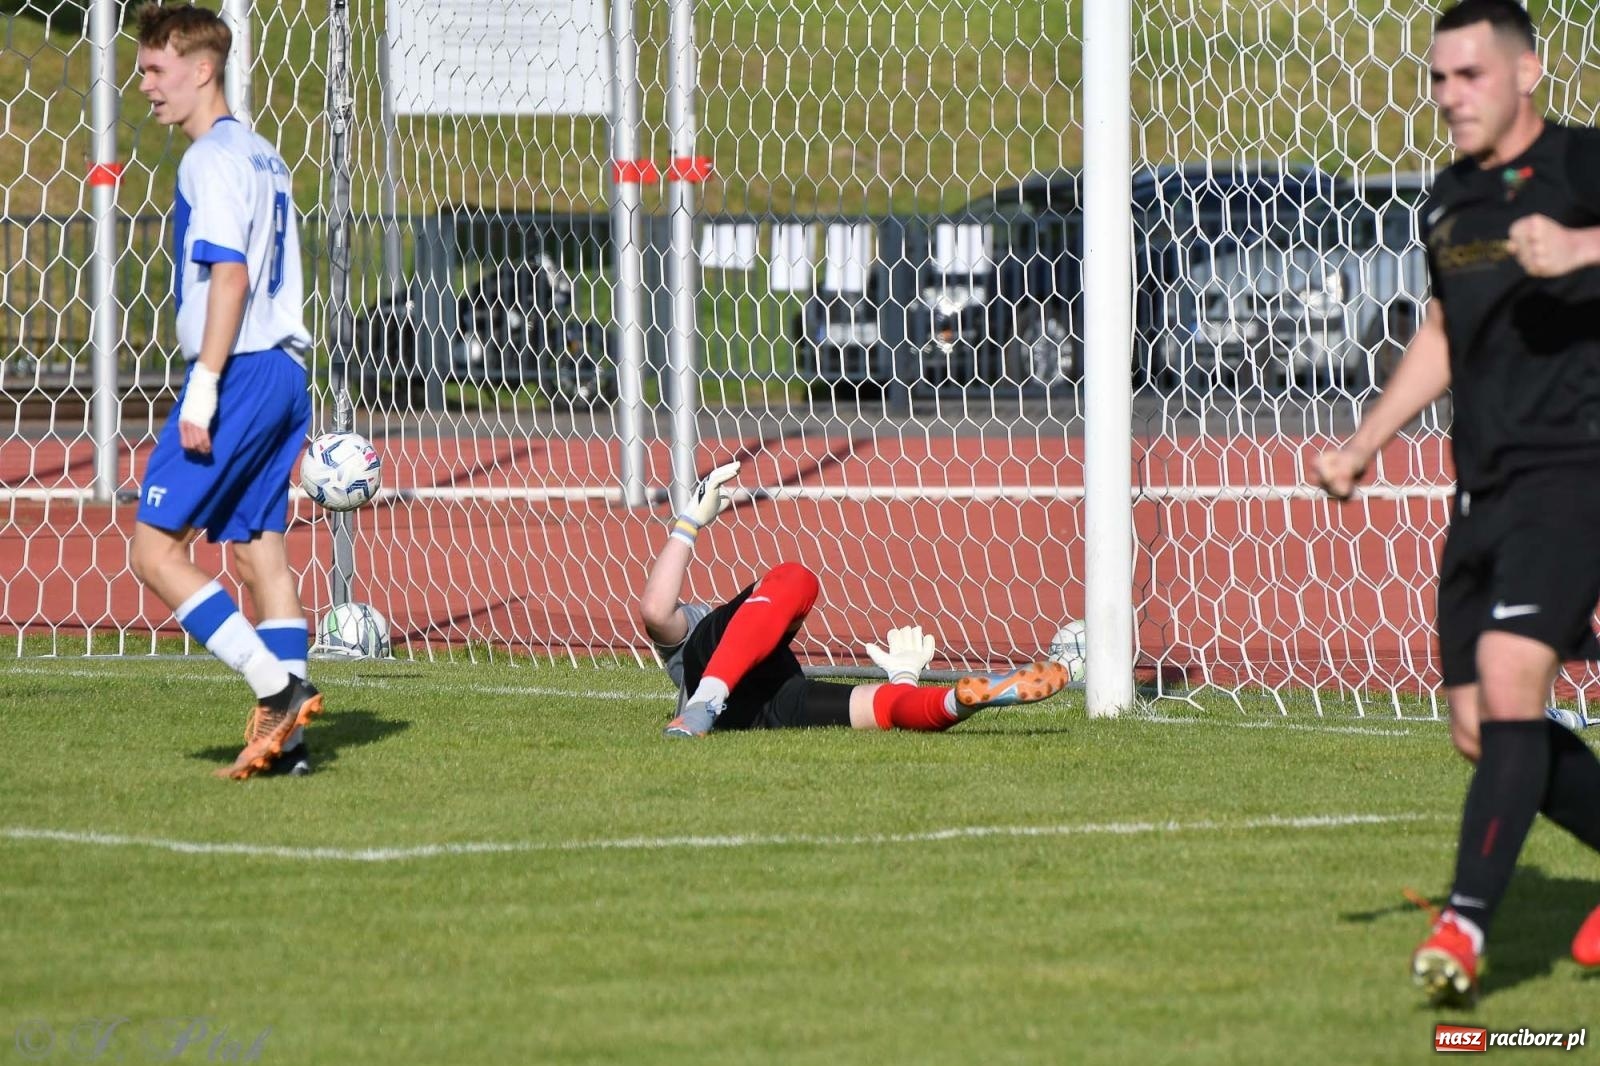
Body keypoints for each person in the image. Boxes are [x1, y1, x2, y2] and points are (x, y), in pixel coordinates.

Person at [1310, 0, 1600, 1005]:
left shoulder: (1579, 165)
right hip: (1479, 491)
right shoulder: (1444, 202)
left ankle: (1463, 931)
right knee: (1481, 726)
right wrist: (1363, 441)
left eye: (1468, 76)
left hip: (1575, 475)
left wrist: (1583, 249)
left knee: (1515, 678)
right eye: (1437, 79)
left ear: (1529, 72)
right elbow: (1441, 332)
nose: (1448, 98)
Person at [128, 3, 321, 780]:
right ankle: (291, 746)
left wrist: (203, 389)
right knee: (258, 550)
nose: (145, 86)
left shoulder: (208, 159)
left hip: (237, 367)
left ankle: (277, 689)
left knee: (154, 550)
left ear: (201, 68)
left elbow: (230, 275)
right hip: (285, 371)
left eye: (155, 69)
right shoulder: (264, 155)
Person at [640, 461, 1070, 738]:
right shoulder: (696, 642)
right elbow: (657, 610)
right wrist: (690, 522)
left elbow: (657, 611)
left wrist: (903, 674)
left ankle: (954, 700)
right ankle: (951, 702)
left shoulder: (698, 642)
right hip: (750, 696)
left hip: (759, 703)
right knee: (796, 578)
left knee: (882, 705)